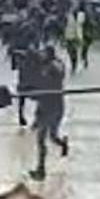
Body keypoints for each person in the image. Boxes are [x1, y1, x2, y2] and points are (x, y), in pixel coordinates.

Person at [28, 47, 69, 181]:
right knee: (52, 136)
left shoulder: (50, 68)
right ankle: (63, 144)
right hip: (54, 105)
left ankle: (41, 169)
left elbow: (44, 86)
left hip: (49, 106)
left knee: (41, 139)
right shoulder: (54, 66)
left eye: (43, 53)